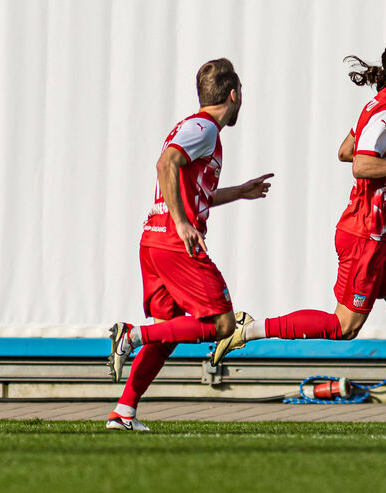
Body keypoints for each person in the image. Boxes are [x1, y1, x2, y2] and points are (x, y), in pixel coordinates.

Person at [208, 41, 386, 431]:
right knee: (344, 327)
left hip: (382, 233)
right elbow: (359, 164)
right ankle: (250, 329)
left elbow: (345, 150)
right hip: (364, 234)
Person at [106, 58, 273, 431]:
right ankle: (131, 335)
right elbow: (165, 164)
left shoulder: (193, 127)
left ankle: (124, 412)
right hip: (174, 242)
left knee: (167, 332)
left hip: (155, 240)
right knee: (222, 324)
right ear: (234, 94)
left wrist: (239, 191)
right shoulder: (205, 128)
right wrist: (182, 223)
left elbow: (192, 191)